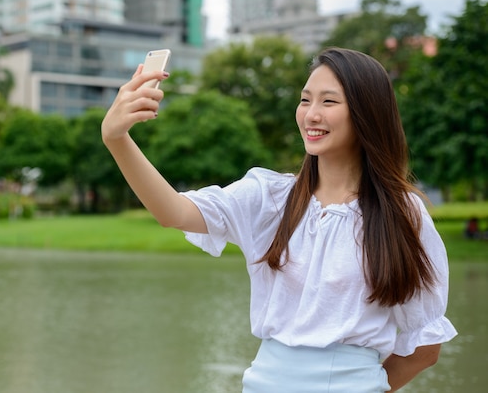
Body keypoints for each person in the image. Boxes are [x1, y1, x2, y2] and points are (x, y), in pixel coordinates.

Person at [101, 47, 457, 393]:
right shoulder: (269, 197)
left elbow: (423, 348)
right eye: (305, 100)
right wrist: (117, 139)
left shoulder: (403, 214)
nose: (311, 114)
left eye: (328, 102)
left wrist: (361, 384)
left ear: (367, 113)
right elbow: (173, 212)